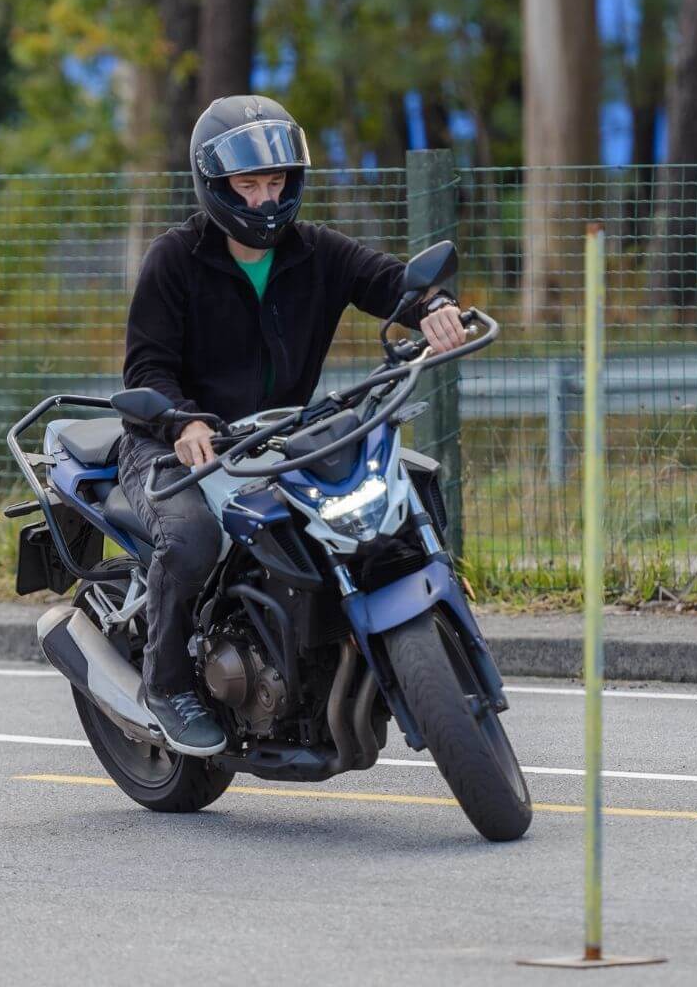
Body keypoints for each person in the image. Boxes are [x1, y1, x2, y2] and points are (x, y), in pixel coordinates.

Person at [119, 94, 467, 756]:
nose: (265, 200)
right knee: (190, 539)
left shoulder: (316, 251)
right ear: (215, 186)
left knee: (398, 487)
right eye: (248, 185)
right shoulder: (175, 259)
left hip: (274, 434)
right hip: (170, 442)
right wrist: (183, 422)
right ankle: (167, 686)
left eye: (275, 182)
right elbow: (147, 368)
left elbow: (387, 281)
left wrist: (434, 306)